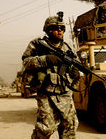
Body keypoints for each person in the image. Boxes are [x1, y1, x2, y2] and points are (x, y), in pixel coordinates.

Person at [22, 11, 80, 139]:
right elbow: (26, 62)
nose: (60, 31)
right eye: (55, 28)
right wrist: (46, 59)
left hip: (65, 93)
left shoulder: (67, 49)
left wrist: (75, 71)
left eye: (62, 29)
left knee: (70, 127)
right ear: (48, 30)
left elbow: (77, 66)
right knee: (45, 128)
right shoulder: (37, 44)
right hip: (46, 93)